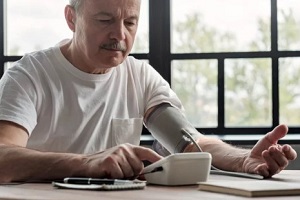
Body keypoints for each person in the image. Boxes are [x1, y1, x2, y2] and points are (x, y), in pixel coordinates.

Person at [0, 0, 296, 183]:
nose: (120, 35)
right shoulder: (28, 75)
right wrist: (85, 163)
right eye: (104, 20)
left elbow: (190, 143)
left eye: (130, 22)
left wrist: (242, 160)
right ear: (71, 18)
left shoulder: (139, 75)